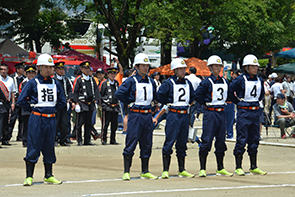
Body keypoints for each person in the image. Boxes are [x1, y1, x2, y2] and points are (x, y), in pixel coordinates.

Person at [17, 54, 66, 186]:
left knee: (49, 146)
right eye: (46, 67)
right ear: (39, 67)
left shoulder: (56, 83)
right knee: (34, 145)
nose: (49, 70)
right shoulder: (32, 83)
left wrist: (53, 109)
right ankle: (29, 176)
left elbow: (62, 101)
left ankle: (48, 175)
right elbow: (21, 100)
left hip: (51, 119)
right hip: (37, 118)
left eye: (51, 67)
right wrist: (33, 110)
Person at [115, 53, 158, 181]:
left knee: (147, 143)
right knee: (131, 141)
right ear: (136, 66)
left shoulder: (151, 81)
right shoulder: (131, 80)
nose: (146, 68)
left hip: (147, 115)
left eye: (147, 65)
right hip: (135, 114)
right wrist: (129, 101)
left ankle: (145, 170)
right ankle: (126, 171)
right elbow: (119, 93)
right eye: (143, 65)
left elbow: (155, 96)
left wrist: (154, 106)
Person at [153, 58, 195, 179]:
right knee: (170, 140)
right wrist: (168, 103)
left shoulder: (188, 83)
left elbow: (192, 97)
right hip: (173, 114)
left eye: (184, 68)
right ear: (175, 70)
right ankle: (165, 169)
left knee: (182, 142)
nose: (183, 71)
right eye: (181, 69)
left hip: (184, 114)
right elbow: (160, 95)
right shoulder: (169, 83)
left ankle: (182, 169)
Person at [195, 55, 233, 177]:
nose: (218, 68)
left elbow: (230, 95)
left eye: (219, 66)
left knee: (221, 140)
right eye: (215, 66)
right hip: (210, 113)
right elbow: (197, 95)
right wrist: (205, 104)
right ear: (210, 68)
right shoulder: (206, 82)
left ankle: (220, 167)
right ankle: (202, 168)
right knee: (207, 140)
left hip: (221, 112)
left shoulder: (225, 82)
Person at [228, 54, 267, 176]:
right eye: (253, 66)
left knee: (254, 139)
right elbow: (230, 91)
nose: (255, 69)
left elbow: (261, 94)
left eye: (256, 66)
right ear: (246, 67)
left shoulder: (260, 80)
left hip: (255, 111)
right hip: (244, 112)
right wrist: (237, 102)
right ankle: (238, 166)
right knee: (242, 138)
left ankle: (253, 166)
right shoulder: (240, 79)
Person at [72, 61, 101, 146]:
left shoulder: (92, 79)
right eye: (85, 68)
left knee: (89, 123)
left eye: (88, 68)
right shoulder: (78, 79)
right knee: (79, 123)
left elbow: (96, 90)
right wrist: (76, 103)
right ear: (81, 69)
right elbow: (75, 92)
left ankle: (87, 140)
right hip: (81, 103)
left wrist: (95, 101)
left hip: (90, 103)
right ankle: (79, 140)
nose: (87, 70)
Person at [53, 61, 73, 146]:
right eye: (59, 69)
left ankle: (63, 140)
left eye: (63, 69)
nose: (62, 71)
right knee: (55, 123)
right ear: (55, 70)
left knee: (65, 123)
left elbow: (70, 90)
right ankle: (54, 140)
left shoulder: (66, 79)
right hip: (56, 104)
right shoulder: (53, 80)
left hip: (64, 104)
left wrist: (68, 99)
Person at [100, 67, 120, 145]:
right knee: (105, 124)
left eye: (114, 73)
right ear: (108, 74)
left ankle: (113, 139)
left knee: (114, 125)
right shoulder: (104, 83)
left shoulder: (116, 83)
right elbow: (101, 94)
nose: (112, 75)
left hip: (115, 106)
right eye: (111, 73)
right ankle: (103, 139)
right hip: (107, 106)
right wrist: (102, 104)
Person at [19, 65, 37, 147]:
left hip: (35, 106)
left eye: (32, 73)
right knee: (26, 125)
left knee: (35, 125)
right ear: (26, 74)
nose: (31, 75)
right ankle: (25, 140)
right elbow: (22, 95)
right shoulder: (24, 83)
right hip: (26, 106)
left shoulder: (37, 82)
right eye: (29, 73)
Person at [9, 62, 25, 141]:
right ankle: (8, 136)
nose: (23, 70)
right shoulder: (11, 78)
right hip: (14, 101)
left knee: (22, 120)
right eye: (21, 68)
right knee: (12, 119)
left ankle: (20, 136)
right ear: (17, 69)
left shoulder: (24, 79)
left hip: (22, 102)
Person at [0, 63, 16, 146]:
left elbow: (13, 92)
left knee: (7, 121)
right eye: (1, 69)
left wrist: (13, 103)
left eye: (4, 69)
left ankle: (5, 139)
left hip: (7, 102)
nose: (3, 71)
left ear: (7, 70)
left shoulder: (10, 79)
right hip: (0, 102)